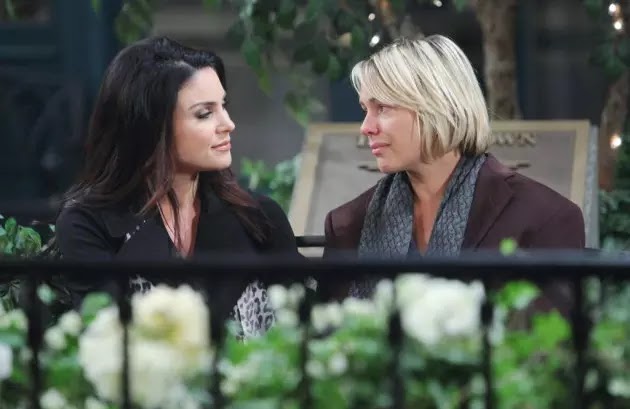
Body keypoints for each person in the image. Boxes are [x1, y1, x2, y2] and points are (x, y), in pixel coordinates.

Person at [55, 36, 301, 337]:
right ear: (150, 125)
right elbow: (108, 339)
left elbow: (306, 331)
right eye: (205, 113)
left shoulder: (259, 217)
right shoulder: (88, 224)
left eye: (223, 106)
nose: (228, 123)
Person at [323, 35, 585, 309]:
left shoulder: (545, 217)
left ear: (437, 106)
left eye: (383, 108)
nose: (366, 127)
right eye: (365, 109)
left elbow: (550, 333)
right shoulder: (347, 225)